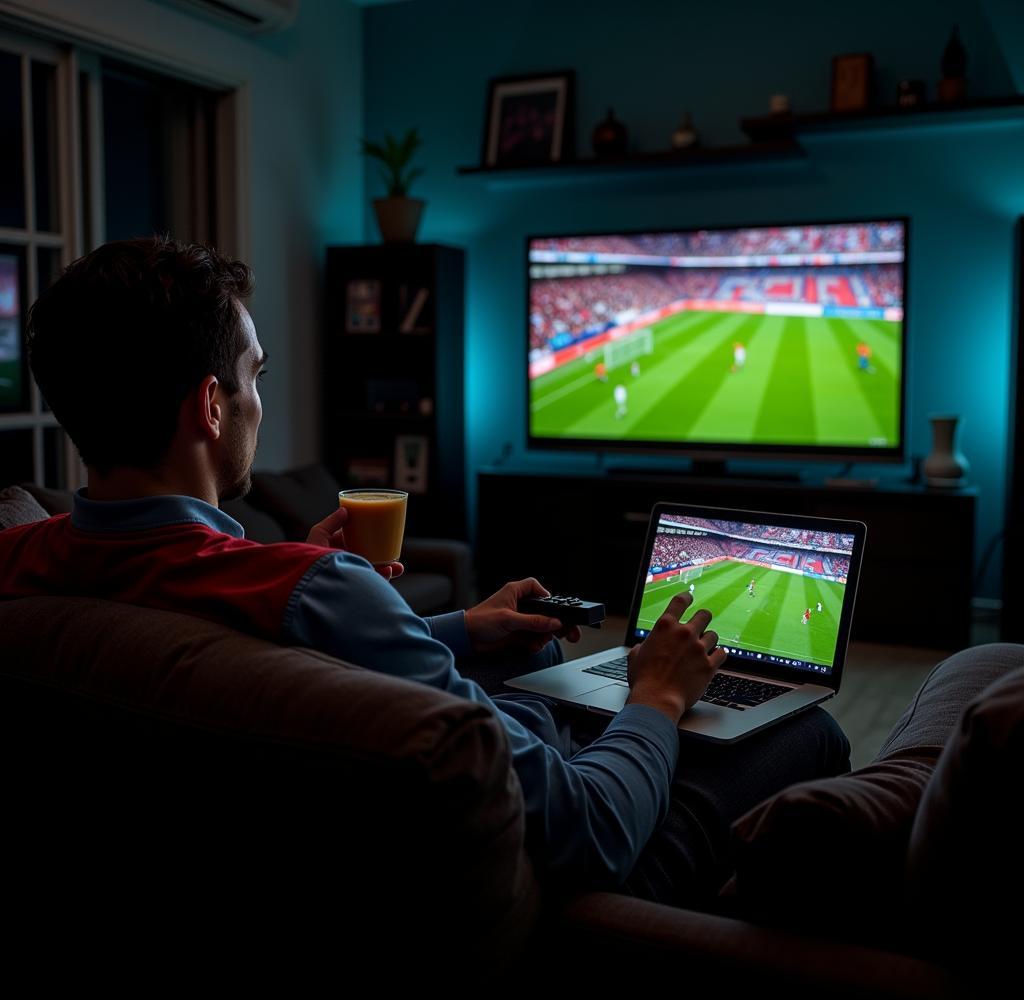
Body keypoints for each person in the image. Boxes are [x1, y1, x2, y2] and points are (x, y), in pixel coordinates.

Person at [0, 237, 850, 907]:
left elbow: (259, 654)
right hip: (554, 883)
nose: (261, 400)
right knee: (805, 731)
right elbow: (587, 831)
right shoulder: (314, 588)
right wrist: (658, 696)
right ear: (212, 406)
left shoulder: (24, 553)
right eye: (256, 376)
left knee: (539, 661)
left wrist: (447, 626)